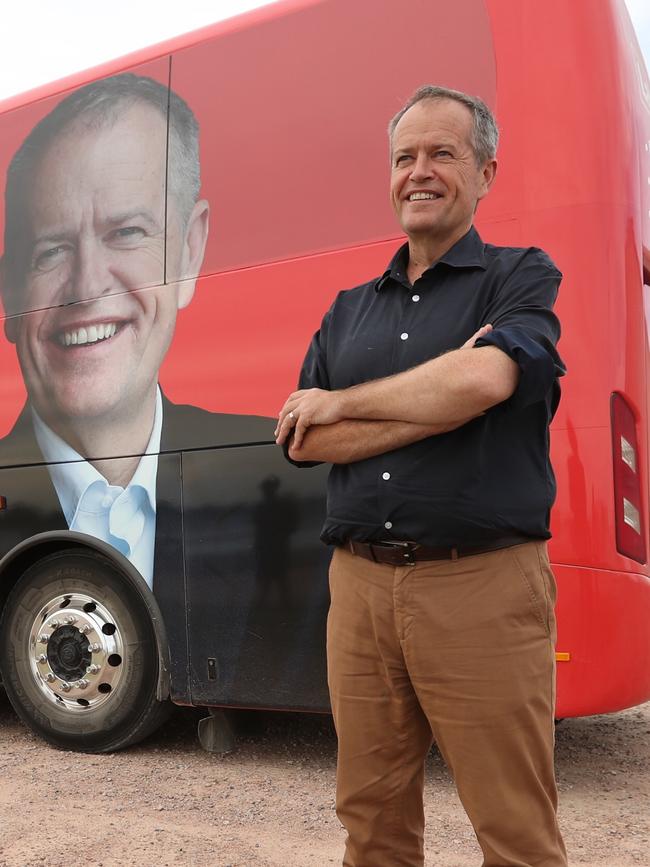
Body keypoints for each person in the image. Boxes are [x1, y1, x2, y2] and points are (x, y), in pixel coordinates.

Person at [277, 85, 568, 867]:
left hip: (480, 586)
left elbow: (487, 383)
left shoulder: (520, 277)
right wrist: (439, 401)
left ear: (486, 171)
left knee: (513, 827)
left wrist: (345, 403)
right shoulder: (347, 309)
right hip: (361, 591)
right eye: (405, 156)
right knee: (370, 820)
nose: (420, 171)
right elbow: (303, 441)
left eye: (443, 153)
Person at [0, 73, 272, 591]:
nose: (87, 285)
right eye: (50, 251)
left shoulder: (293, 473)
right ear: (9, 292)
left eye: (126, 233)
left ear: (190, 251)